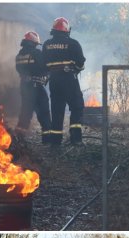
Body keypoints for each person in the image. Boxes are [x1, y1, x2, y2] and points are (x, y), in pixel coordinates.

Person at [42, 17, 85, 145]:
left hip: (54, 81)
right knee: (77, 106)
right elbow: (81, 63)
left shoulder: (46, 44)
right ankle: (76, 139)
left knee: (56, 109)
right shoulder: (73, 43)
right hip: (69, 79)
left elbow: (43, 65)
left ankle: (56, 141)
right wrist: (75, 69)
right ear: (66, 30)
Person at [15, 31, 53, 144]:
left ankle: (19, 138)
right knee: (44, 112)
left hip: (24, 86)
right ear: (33, 42)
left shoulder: (19, 55)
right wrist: (48, 72)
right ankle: (47, 139)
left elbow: (19, 70)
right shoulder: (37, 53)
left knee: (25, 112)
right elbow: (43, 68)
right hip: (36, 87)